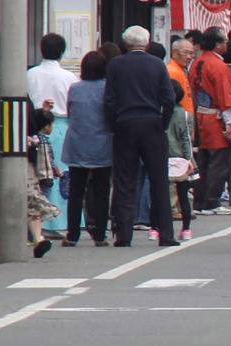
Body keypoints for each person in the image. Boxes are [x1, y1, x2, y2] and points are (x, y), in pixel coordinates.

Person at [0, 54, 60, 260]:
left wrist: (42, 114)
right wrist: (22, 134)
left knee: (29, 193)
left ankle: (38, 239)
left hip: (20, 153)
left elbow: (30, 124)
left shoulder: (23, 97)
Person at [104, 26, 178, 247]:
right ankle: (165, 233)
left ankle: (124, 234)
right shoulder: (157, 64)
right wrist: (162, 123)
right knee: (159, 180)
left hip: (125, 124)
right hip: (152, 123)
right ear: (146, 43)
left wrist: (113, 125)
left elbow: (109, 100)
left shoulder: (116, 65)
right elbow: (169, 98)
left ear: (125, 44)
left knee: (125, 180)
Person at [26, 33, 78, 235]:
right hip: (61, 127)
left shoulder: (30, 74)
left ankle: (39, 223)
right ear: (62, 52)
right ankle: (60, 221)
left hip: (34, 127)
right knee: (61, 174)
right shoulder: (69, 77)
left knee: (37, 175)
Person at [61, 51, 113, 247]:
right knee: (101, 189)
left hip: (78, 143)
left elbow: (70, 113)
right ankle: (100, 234)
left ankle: (72, 234)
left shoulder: (75, 89)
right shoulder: (108, 88)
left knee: (76, 190)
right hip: (102, 143)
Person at [188, 27, 231, 216]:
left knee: (204, 161)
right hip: (215, 118)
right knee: (219, 162)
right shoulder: (218, 66)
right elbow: (225, 96)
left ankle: (200, 201)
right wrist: (230, 123)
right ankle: (212, 201)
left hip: (200, 116)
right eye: (223, 41)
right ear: (217, 44)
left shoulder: (198, 62)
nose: (226, 44)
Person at [165, 80, 196, 241]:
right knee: (183, 195)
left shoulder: (159, 112)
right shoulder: (185, 114)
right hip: (181, 158)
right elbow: (186, 138)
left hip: (163, 157)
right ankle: (186, 229)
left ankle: (156, 228)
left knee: (159, 194)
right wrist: (188, 158)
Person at [167, 39, 195, 116]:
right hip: (179, 118)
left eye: (191, 53)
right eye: (185, 52)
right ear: (174, 52)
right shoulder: (172, 71)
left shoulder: (181, 70)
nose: (189, 57)